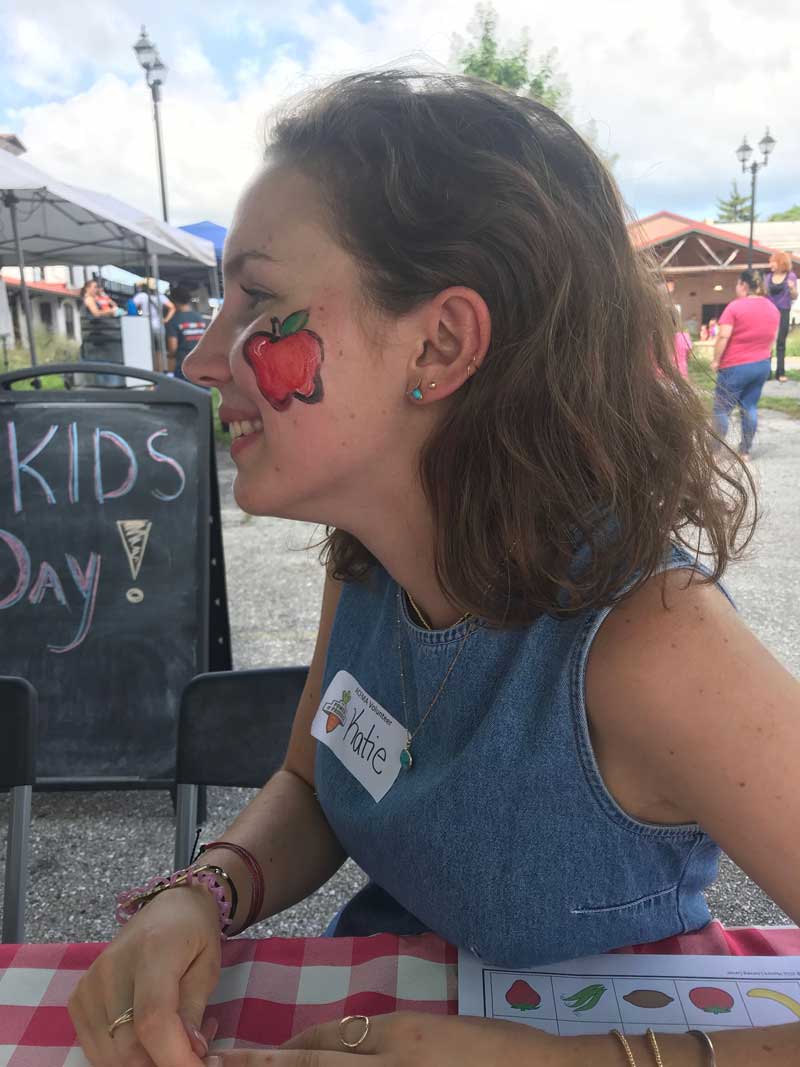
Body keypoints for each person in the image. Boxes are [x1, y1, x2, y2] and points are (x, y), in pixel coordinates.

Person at [69, 72, 800, 1066]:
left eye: (257, 298)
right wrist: (206, 889)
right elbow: (313, 777)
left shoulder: (651, 638)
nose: (201, 357)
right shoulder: (368, 560)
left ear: (442, 341)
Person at [712, 269, 780, 460]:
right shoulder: (772, 308)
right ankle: (745, 451)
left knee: (721, 409)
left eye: (737, 284)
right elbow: (772, 339)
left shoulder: (735, 307)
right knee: (749, 407)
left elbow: (724, 335)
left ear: (743, 284)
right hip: (761, 365)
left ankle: (715, 452)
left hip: (735, 365)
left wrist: (716, 359)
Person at [764, 251, 798, 382]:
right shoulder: (768, 277)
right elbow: (764, 294)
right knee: (768, 342)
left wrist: (791, 288)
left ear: (780, 262)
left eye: (772, 261)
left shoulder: (791, 276)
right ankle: (767, 374)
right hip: (769, 311)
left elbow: (794, 296)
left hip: (783, 311)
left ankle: (780, 373)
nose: (770, 264)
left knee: (780, 343)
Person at [165, 285, 210, 378]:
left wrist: (169, 356)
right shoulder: (200, 318)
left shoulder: (174, 320)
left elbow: (173, 348)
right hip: (202, 363)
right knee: (202, 392)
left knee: (183, 391)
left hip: (184, 365)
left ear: (174, 301)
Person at [132, 279, 175, 369]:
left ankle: (151, 371)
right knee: (160, 350)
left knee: (148, 350)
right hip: (160, 326)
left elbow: (131, 306)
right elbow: (172, 307)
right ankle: (162, 370)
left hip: (146, 326)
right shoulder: (161, 297)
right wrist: (166, 319)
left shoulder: (142, 296)